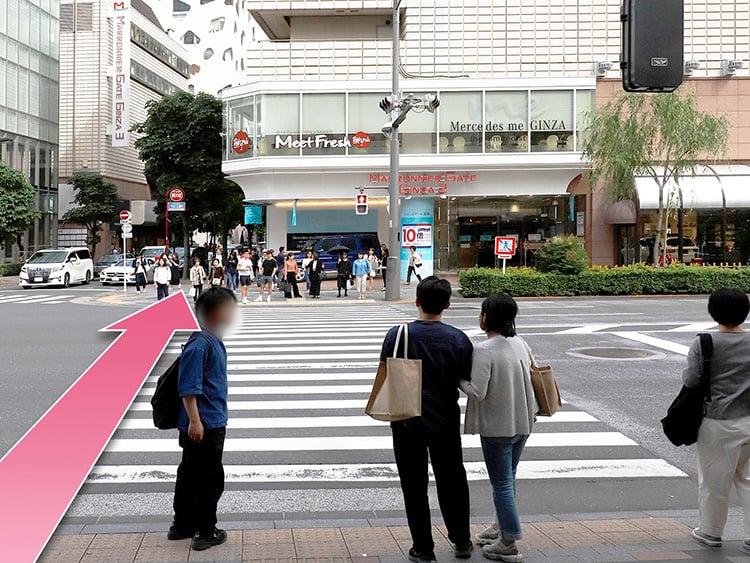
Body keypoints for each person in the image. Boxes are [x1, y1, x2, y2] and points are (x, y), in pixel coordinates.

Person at [379, 277, 474, 562]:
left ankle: (423, 548)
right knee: (453, 479)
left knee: (414, 484)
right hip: (445, 418)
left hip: (406, 418)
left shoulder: (398, 334)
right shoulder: (458, 338)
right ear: (447, 304)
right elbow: (466, 378)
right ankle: (461, 541)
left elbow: (385, 369)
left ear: (417, 301)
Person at [460, 293, 537, 562]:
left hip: (497, 427)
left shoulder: (484, 350)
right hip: (523, 422)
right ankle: (499, 527)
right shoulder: (519, 343)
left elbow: (477, 391)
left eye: (482, 312)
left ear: (486, 318)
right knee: (509, 478)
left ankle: (509, 541)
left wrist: (458, 379)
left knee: (501, 483)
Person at [682, 288, 750, 554]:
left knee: (713, 479)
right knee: (746, 478)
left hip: (718, 421)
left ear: (712, 312)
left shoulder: (705, 342)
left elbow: (691, 380)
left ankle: (710, 532)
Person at [169, 287, 237, 552]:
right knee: (208, 478)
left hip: (204, 421)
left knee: (189, 473)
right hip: (205, 424)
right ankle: (205, 532)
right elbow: (188, 387)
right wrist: (195, 422)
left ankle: (182, 525)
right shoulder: (200, 344)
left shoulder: (210, 340)